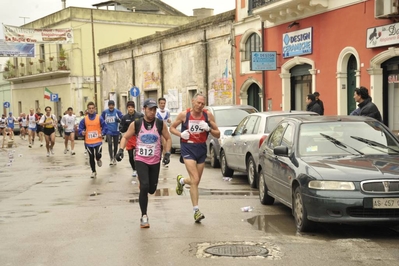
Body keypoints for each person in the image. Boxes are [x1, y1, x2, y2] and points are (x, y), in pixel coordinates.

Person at [115, 98, 172, 228]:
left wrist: (167, 153)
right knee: (145, 186)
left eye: (154, 109)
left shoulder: (159, 124)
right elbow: (125, 137)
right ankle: (144, 216)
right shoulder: (136, 124)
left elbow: (168, 139)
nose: (152, 112)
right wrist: (120, 150)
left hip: (155, 160)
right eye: (150, 109)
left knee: (152, 189)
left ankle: (145, 186)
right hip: (141, 159)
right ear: (144, 109)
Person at [169, 93, 220, 223]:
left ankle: (181, 181)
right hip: (188, 148)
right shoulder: (184, 115)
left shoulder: (207, 115)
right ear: (193, 101)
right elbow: (171, 128)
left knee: (195, 181)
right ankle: (196, 211)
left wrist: (208, 128)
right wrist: (181, 134)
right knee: (195, 178)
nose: (200, 105)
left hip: (201, 148)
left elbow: (218, 134)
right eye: (198, 103)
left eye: (202, 104)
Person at [79, 101, 107, 178]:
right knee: (91, 157)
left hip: (98, 140)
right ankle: (93, 171)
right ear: (87, 110)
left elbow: (105, 127)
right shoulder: (85, 119)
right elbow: (80, 128)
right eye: (89, 108)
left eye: (92, 108)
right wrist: (82, 132)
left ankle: (98, 159)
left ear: (95, 109)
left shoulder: (99, 118)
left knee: (97, 154)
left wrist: (103, 133)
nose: (91, 110)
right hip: (88, 142)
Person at [119, 101, 144, 177]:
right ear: (127, 108)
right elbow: (121, 128)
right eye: (129, 107)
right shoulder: (124, 117)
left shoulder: (139, 115)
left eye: (132, 107)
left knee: (137, 155)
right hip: (129, 138)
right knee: (130, 156)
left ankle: (139, 168)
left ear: (134, 108)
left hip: (137, 137)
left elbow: (144, 124)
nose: (130, 109)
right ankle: (134, 170)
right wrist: (125, 127)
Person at [101, 100, 123, 166]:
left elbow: (123, 119)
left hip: (116, 130)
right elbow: (101, 120)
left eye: (112, 105)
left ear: (114, 105)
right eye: (110, 105)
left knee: (115, 145)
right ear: (108, 106)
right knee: (110, 144)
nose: (111, 106)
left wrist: (119, 120)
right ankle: (111, 158)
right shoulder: (105, 112)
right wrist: (102, 129)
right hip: (108, 131)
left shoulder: (117, 112)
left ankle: (114, 158)